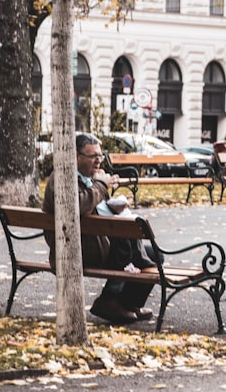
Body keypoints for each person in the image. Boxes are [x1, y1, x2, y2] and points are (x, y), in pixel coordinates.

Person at [42, 132, 156, 324]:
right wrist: (101, 185)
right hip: (76, 250)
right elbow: (74, 207)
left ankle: (126, 305)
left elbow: (95, 208)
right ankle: (109, 301)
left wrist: (110, 199)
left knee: (154, 255)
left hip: (95, 244)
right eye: (93, 156)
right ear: (76, 157)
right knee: (131, 251)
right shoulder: (62, 179)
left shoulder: (87, 178)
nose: (98, 161)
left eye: (100, 156)